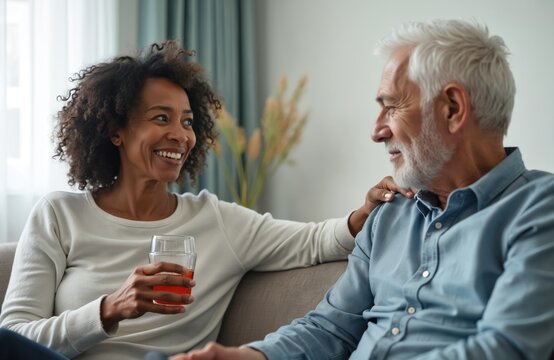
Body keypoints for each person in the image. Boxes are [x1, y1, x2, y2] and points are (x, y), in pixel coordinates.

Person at [0, 40, 411, 360]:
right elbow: (14, 337)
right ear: (115, 131)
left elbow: (314, 241)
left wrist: (364, 213)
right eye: (161, 118)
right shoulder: (59, 215)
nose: (180, 135)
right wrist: (108, 309)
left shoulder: (215, 220)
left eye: (188, 122)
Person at [172, 19, 554, 360]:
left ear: (453, 108)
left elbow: (508, 346)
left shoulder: (539, 208)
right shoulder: (391, 214)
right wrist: (249, 357)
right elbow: (331, 327)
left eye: (391, 107)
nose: (377, 131)